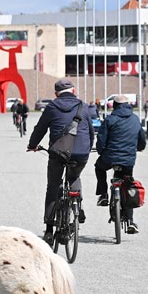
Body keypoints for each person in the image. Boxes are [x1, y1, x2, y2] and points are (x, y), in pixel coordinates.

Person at [27, 78, 94, 245]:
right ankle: (77, 203)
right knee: (74, 176)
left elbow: (40, 128)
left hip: (58, 152)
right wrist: (87, 148)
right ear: (73, 91)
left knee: (53, 186)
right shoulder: (83, 107)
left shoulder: (52, 107)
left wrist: (33, 145)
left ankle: (49, 231)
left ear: (56, 93)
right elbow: (91, 132)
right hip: (80, 153)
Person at [94, 94, 146, 234]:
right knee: (127, 184)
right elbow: (141, 140)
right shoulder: (135, 119)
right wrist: (139, 148)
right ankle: (130, 221)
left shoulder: (110, 119)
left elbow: (101, 139)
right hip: (128, 160)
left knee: (99, 168)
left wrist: (100, 151)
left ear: (114, 106)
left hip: (109, 158)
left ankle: (103, 194)